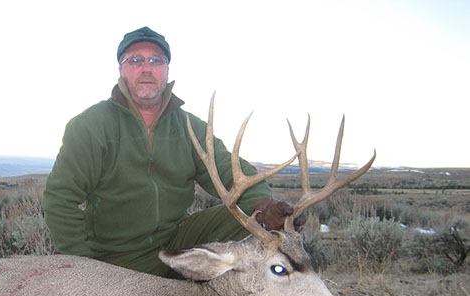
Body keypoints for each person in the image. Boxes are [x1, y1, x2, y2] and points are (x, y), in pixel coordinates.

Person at [42, 26, 303, 278]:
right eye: (135, 60)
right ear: (121, 70)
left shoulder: (190, 126)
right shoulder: (90, 125)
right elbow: (60, 198)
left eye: (156, 60)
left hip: (176, 243)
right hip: (114, 256)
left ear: (166, 69)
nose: (146, 68)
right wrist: (82, 264)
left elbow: (229, 170)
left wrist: (265, 207)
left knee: (252, 218)